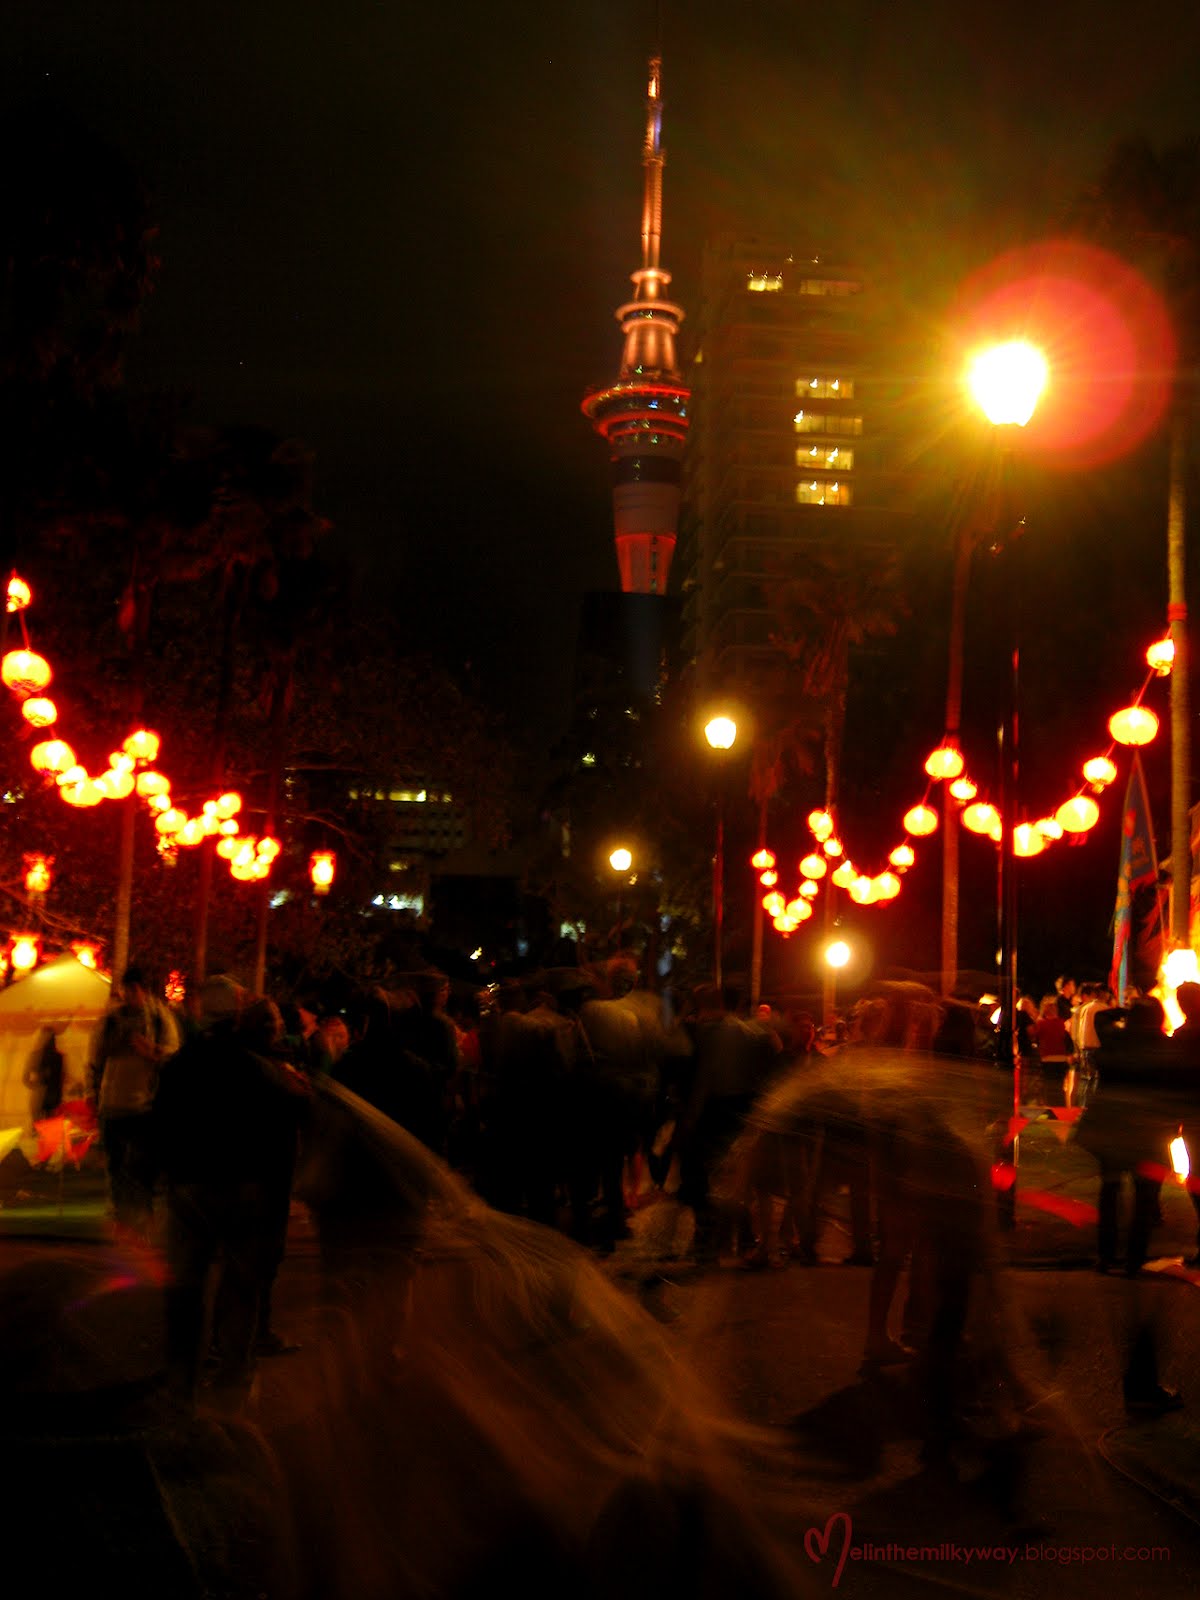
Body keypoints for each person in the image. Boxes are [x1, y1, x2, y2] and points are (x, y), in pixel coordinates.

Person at [154, 977, 311, 1412]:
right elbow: (298, 1115)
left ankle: (181, 1385)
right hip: (244, 1190)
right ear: (238, 1016)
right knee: (241, 1287)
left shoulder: (180, 1066)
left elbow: (160, 1126)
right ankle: (231, 1386)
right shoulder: (261, 1071)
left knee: (186, 1289)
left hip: (189, 1189)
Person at [90, 964, 180, 1236]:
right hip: (112, 1103)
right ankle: (122, 1218)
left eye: (134, 990)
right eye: (126, 989)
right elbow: (96, 1058)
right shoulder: (111, 1020)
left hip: (144, 1106)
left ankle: (142, 1219)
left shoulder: (159, 1018)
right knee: (116, 1168)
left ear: (144, 990)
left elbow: (174, 1058)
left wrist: (152, 1050)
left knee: (142, 1169)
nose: (129, 995)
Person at [24, 1024, 65, 1124]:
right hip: (53, 1098)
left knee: (38, 1128)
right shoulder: (58, 1057)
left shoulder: (34, 1055)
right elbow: (61, 1079)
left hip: (39, 1097)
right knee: (51, 1130)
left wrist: (37, 1086)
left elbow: (25, 1079)